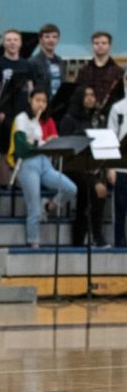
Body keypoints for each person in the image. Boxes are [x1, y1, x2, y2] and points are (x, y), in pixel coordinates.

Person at [10, 89, 76, 248]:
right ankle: (34, 243)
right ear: (30, 100)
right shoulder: (22, 118)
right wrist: (44, 143)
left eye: (44, 101)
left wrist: (51, 143)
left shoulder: (46, 121)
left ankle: (48, 205)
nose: (41, 104)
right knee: (34, 210)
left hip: (45, 164)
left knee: (71, 188)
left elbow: (45, 145)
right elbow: (21, 148)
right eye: (37, 100)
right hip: (28, 164)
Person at [59, 85, 107, 247]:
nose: (90, 98)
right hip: (73, 168)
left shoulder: (97, 120)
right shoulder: (69, 119)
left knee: (88, 197)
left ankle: (80, 240)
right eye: (86, 95)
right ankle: (97, 236)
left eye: (93, 94)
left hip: (91, 167)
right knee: (97, 189)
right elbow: (64, 150)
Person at [0, 29, 33, 184]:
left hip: (22, 110)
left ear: (20, 43)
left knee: (21, 147)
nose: (12, 43)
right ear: (4, 43)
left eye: (15, 40)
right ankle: (4, 182)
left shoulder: (26, 64)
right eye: (9, 40)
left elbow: (30, 88)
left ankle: (19, 181)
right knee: (5, 148)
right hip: (6, 111)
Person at [75, 32, 124, 118]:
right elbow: (77, 94)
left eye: (104, 43)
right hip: (87, 115)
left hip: (111, 115)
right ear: (92, 46)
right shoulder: (84, 70)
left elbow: (121, 97)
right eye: (96, 43)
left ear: (110, 46)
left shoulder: (118, 72)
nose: (100, 46)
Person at [107, 75, 127, 248]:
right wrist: (111, 167)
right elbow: (111, 137)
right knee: (120, 210)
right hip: (121, 168)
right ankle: (119, 245)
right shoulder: (117, 108)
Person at [27, 24, 65, 100]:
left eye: (54, 37)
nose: (51, 40)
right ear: (41, 40)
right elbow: (30, 88)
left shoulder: (61, 61)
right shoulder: (32, 62)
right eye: (47, 37)